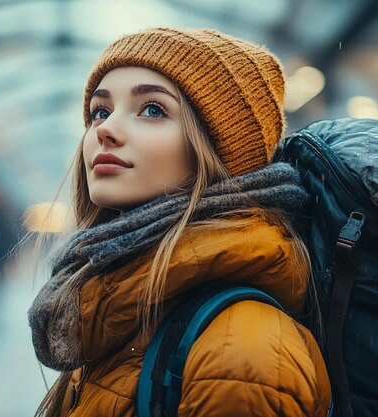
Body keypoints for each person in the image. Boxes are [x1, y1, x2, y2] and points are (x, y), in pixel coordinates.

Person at [28, 27, 331, 417]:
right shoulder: (121, 304)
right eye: (100, 112)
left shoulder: (239, 350)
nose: (104, 129)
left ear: (219, 150)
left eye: (153, 110)